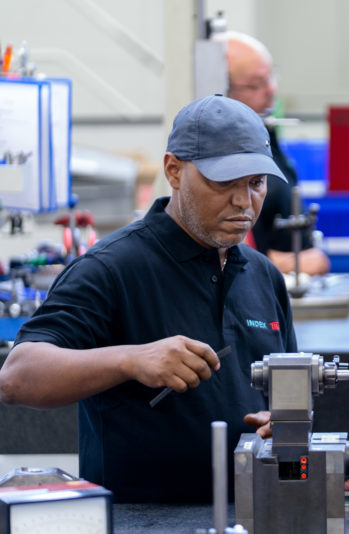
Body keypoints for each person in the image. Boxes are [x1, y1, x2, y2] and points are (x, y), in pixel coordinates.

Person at [0, 95, 297, 503]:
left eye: (256, 182)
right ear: (174, 170)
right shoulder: (111, 269)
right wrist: (130, 359)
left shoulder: (264, 277)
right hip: (141, 520)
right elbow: (18, 377)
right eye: (224, 182)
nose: (244, 201)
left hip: (252, 514)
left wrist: (283, 425)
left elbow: (290, 398)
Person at [218, 30, 330, 276]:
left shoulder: (266, 132)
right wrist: (277, 263)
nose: (270, 90)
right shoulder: (217, 157)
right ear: (221, 89)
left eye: (271, 77)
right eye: (256, 84)